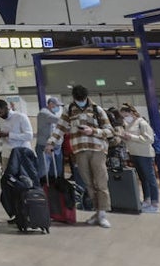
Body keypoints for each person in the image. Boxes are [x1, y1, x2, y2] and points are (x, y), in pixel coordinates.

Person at [46, 85, 114, 228]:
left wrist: (93, 131)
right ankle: (97, 212)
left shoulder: (97, 109)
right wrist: (51, 142)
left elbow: (109, 131)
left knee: (101, 182)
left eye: (82, 99)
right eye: (78, 99)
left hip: (97, 149)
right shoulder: (69, 110)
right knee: (88, 183)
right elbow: (60, 128)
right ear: (74, 98)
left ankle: (102, 214)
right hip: (79, 150)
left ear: (86, 97)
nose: (80, 101)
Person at [118, 104, 159, 213]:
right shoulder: (129, 124)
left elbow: (149, 139)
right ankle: (147, 200)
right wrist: (124, 137)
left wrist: (132, 137)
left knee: (150, 179)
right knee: (143, 178)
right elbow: (130, 139)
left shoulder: (142, 123)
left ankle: (155, 203)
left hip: (145, 154)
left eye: (125, 115)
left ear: (131, 113)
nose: (125, 118)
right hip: (135, 153)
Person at [36, 97, 62, 182]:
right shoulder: (44, 113)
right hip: (45, 146)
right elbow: (59, 120)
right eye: (57, 105)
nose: (58, 108)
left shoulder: (52, 113)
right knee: (44, 171)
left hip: (55, 146)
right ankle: (42, 186)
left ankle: (54, 186)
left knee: (55, 171)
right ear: (51, 104)